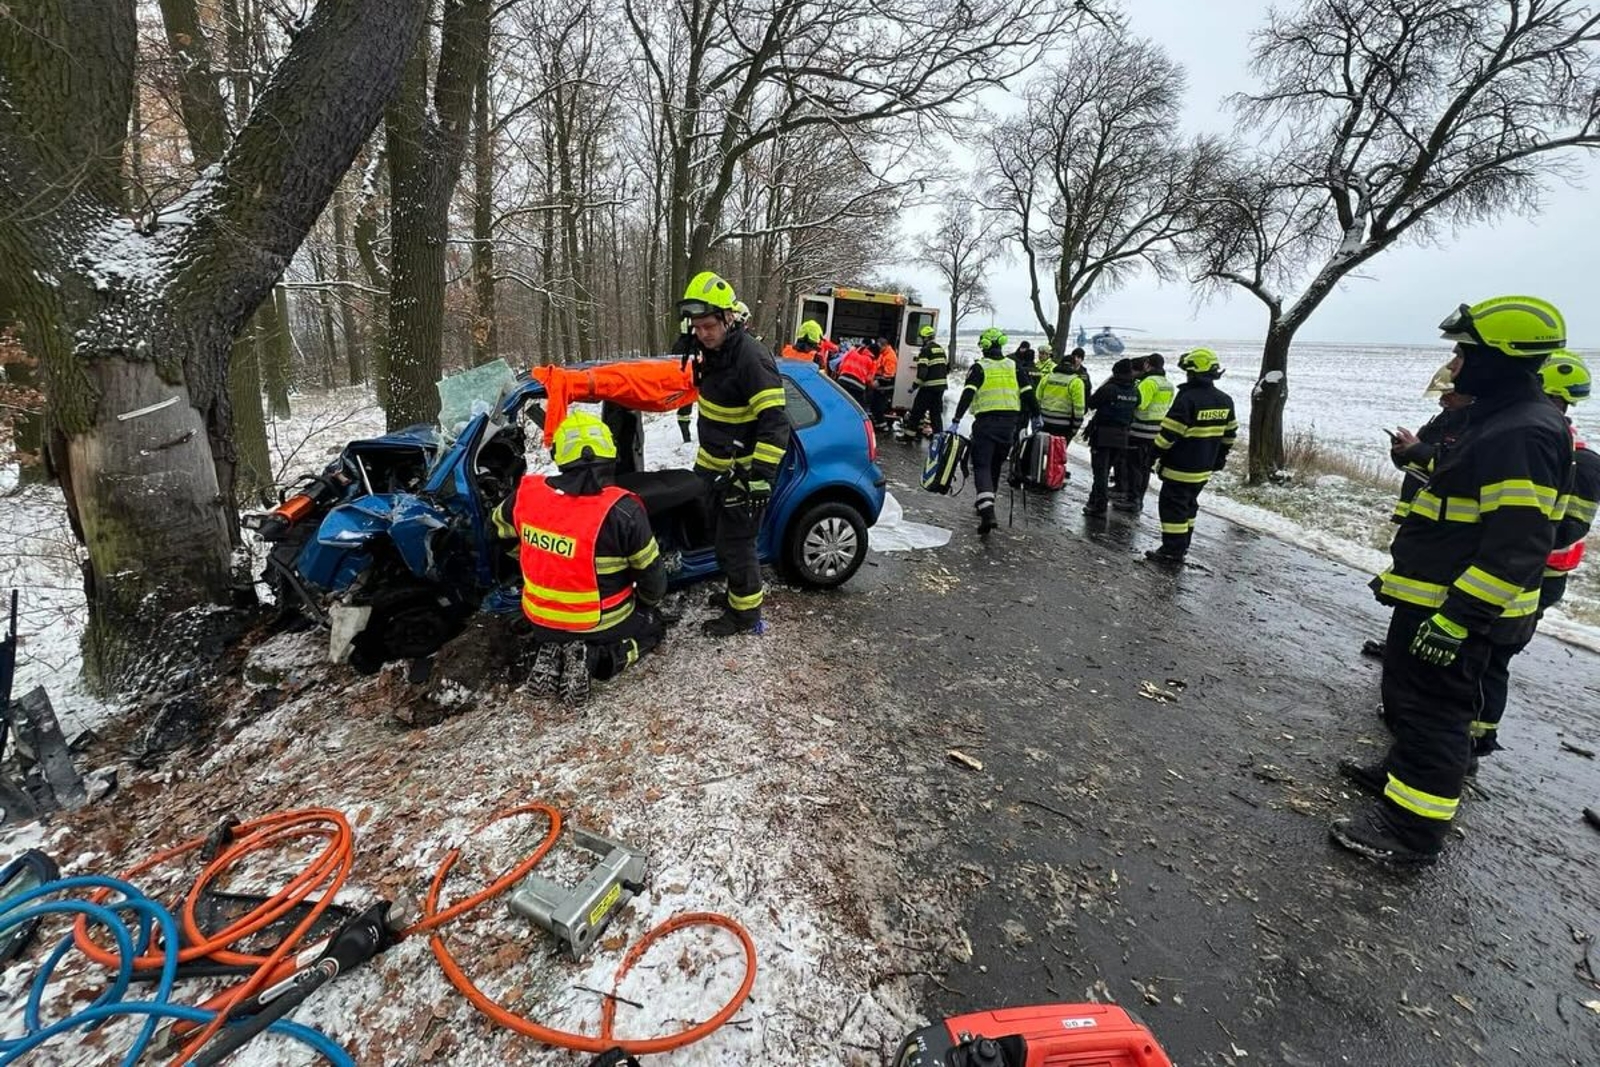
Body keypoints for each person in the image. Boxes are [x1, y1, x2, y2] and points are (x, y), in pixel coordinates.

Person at [1333, 296, 1571, 867]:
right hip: (1434, 596)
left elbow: (1518, 543)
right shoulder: (1497, 420)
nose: (1455, 365)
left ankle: (1410, 829)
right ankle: (1400, 776)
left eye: (1464, 353)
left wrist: (1458, 617)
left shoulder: (1523, 432)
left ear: (1499, 358)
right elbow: (1462, 488)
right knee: (1408, 701)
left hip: (1457, 608)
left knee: (1435, 711)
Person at [1468, 350, 1596, 764]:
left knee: (1493, 656)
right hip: (1520, 570)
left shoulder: (1582, 461)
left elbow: (1570, 528)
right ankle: (1472, 733)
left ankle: (1477, 737)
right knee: (1483, 655)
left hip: (1537, 578)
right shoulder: (1546, 441)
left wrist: (1511, 534)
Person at [493, 412, 668, 705]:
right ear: (610, 453)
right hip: (603, 624)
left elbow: (498, 533)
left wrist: (533, 556)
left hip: (540, 619)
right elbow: (652, 577)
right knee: (654, 626)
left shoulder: (525, 496)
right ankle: (600, 658)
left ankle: (553, 648)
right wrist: (646, 603)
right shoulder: (623, 511)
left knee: (556, 628)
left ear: (559, 455)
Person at [679, 270, 792, 637]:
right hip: (714, 468)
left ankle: (745, 615)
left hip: (743, 475)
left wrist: (759, 477)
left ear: (729, 318)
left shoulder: (750, 358)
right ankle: (735, 595)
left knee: (737, 545)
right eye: (697, 327)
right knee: (720, 540)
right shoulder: (711, 352)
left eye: (709, 326)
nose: (703, 334)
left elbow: (775, 422)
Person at [1145, 349, 1236, 560]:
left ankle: (1172, 550)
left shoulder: (1187, 399)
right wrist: (1220, 457)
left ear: (1193, 372)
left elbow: (1169, 433)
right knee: (1189, 505)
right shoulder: (1225, 400)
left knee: (1172, 508)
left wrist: (1152, 454)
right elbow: (1230, 434)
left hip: (1179, 467)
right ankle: (1183, 544)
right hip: (1203, 469)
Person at [950, 327, 1034, 535]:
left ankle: (987, 511)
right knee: (995, 464)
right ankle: (987, 502)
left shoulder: (980, 367)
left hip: (986, 423)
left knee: (982, 465)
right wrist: (1037, 415)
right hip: (1009, 425)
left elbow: (968, 394)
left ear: (985, 345)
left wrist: (956, 419)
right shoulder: (1013, 365)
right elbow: (1028, 392)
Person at [1081, 358, 1141, 515]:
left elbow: (1091, 403)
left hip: (1103, 433)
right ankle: (1094, 500)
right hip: (1122, 435)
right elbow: (1137, 405)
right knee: (1105, 470)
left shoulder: (1109, 389)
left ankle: (1099, 504)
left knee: (1100, 471)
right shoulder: (1135, 391)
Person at [1123, 353, 1175, 514]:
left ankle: (1132, 499)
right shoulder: (1168, 384)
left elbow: (1140, 405)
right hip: (1157, 431)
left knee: (1134, 466)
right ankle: (1139, 498)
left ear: (1147, 364)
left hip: (1140, 430)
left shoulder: (1148, 382)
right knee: (1145, 467)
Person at [899, 324, 949, 440]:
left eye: (922, 338)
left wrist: (914, 386)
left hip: (928, 388)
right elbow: (947, 368)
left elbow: (922, 373)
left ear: (925, 338)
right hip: (940, 388)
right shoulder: (941, 349)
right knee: (935, 414)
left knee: (917, 411)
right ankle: (938, 439)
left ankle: (909, 436)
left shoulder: (925, 351)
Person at [1036, 346, 1087, 445]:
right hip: (1063, 424)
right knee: (1057, 451)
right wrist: (1075, 428)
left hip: (1045, 420)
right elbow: (1079, 408)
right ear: (1073, 366)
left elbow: (1038, 398)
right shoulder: (1076, 382)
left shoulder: (1047, 377)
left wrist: (1037, 418)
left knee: (1043, 448)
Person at [834, 338, 876, 407]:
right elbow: (869, 379)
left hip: (843, 380)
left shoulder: (852, 352)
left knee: (838, 402)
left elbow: (841, 365)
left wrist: (839, 376)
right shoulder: (872, 361)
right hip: (858, 386)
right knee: (855, 407)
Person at [871, 336, 899, 431]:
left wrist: (878, 381)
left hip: (884, 388)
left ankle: (883, 427)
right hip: (880, 387)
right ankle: (880, 425)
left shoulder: (890, 357)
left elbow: (889, 375)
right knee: (875, 406)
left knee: (878, 407)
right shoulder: (884, 354)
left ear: (884, 346)